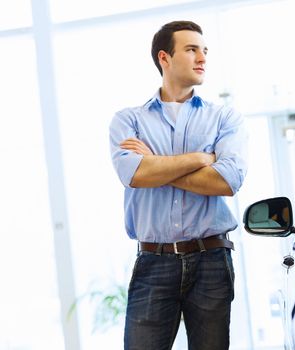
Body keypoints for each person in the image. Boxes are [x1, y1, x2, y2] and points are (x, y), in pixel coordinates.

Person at [109, 20, 248, 350]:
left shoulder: (224, 118)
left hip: (211, 259)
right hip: (153, 261)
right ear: (164, 58)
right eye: (191, 49)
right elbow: (135, 175)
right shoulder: (128, 121)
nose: (202, 57)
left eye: (204, 50)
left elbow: (227, 181)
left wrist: (156, 162)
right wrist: (202, 158)